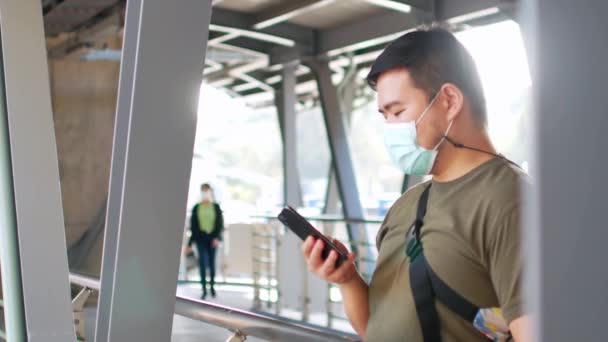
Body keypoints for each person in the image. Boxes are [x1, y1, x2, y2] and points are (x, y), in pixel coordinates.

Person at [302, 27, 530, 341]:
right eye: (385, 116)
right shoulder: (406, 206)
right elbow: (375, 327)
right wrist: (347, 280)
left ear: (449, 101)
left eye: (398, 111)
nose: (391, 129)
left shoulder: (512, 199)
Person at [186, 183, 224, 300]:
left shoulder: (216, 207)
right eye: (203, 190)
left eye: (206, 190)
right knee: (202, 263)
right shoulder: (197, 207)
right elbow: (193, 226)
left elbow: (219, 224)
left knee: (212, 264)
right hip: (200, 239)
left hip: (212, 239)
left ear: (210, 192)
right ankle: (203, 289)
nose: (205, 192)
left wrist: (216, 238)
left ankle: (212, 287)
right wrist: (190, 243)